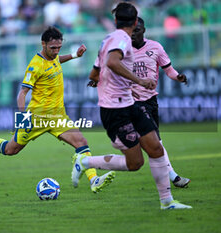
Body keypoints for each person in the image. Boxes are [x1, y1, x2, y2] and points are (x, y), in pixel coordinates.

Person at [0, 26, 115, 193]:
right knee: (10, 149)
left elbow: (56, 60)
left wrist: (74, 55)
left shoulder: (53, 56)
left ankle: (94, 180)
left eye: (59, 48)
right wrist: (22, 118)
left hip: (57, 116)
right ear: (43, 44)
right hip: (37, 118)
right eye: (53, 48)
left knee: (81, 143)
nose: (56, 51)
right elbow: (22, 93)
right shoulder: (35, 65)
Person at [72, 2, 192, 209]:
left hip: (130, 104)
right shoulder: (121, 39)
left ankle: (167, 202)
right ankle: (85, 162)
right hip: (115, 110)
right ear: (135, 21)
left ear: (115, 21)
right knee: (135, 163)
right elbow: (112, 62)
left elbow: (94, 73)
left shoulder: (109, 39)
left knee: (156, 148)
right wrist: (139, 80)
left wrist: (108, 82)